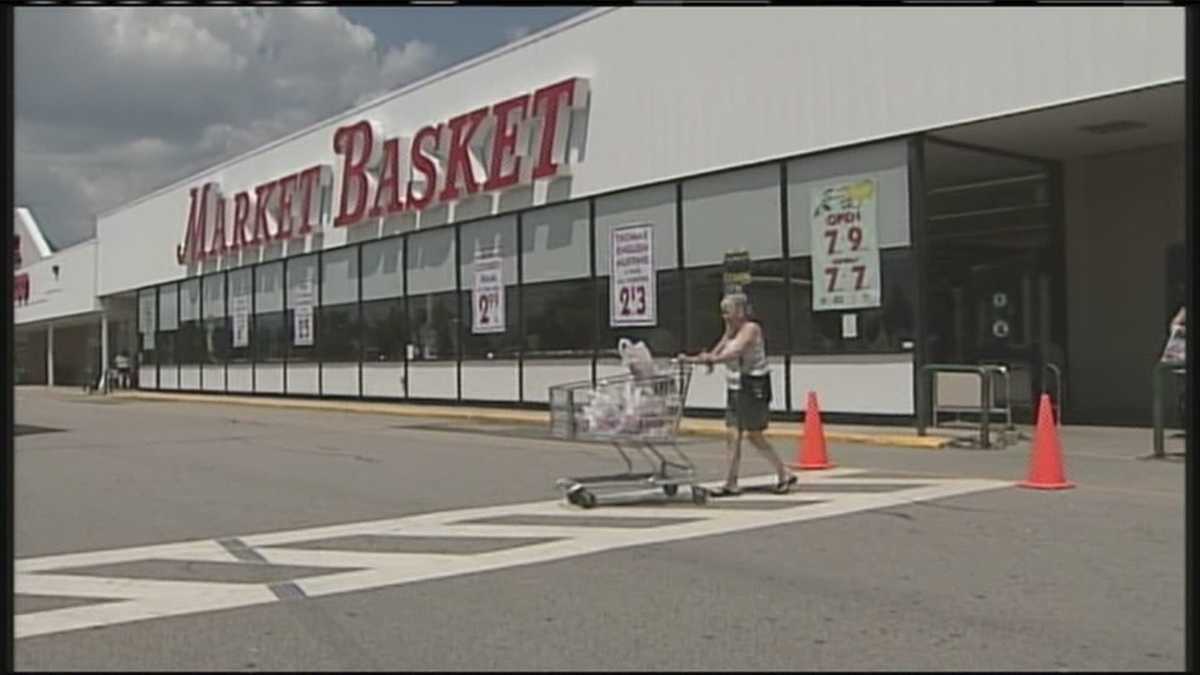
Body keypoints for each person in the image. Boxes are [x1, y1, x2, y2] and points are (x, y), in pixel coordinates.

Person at [681, 293, 797, 496]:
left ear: (741, 311)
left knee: (754, 435)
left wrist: (708, 360)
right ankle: (731, 482)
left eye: (728, 311)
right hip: (736, 387)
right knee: (732, 435)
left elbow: (733, 352)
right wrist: (698, 358)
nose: (724, 316)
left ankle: (783, 472)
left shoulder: (751, 329)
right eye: (723, 312)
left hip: (753, 386)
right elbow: (720, 348)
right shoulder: (731, 329)